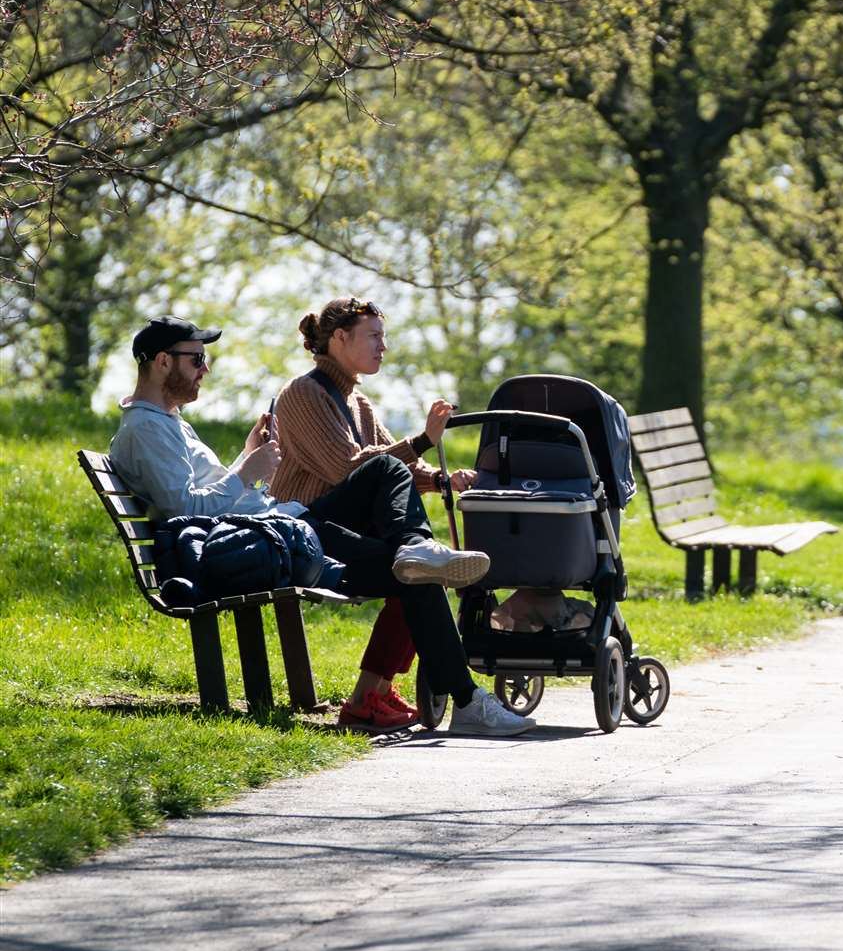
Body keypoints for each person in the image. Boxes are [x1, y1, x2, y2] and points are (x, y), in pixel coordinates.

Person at [107, 315, 533, 736]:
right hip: (268, 542)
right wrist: (245, 472)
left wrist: (246, 456)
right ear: (163, 362)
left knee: (392, 490)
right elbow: (187, 509)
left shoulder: (169, 422)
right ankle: (464, 698)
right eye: (196, 359)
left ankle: (417, 558)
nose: (206, 368)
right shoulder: (146, 429)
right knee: (414, 567)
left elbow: (206, 496)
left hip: (281, 528)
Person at [268, 297, 478, 733]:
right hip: (303, 532)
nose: (384, 346)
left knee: (417, 572)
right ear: (340, 338)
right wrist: (421, 440)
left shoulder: (357, 401)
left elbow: (394, 469)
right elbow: (351, 468)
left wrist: (442, 480)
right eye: (375, 336)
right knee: (412, 551)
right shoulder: (302, 394)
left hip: (338, 530)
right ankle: (466, 699)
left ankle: (368, 699)